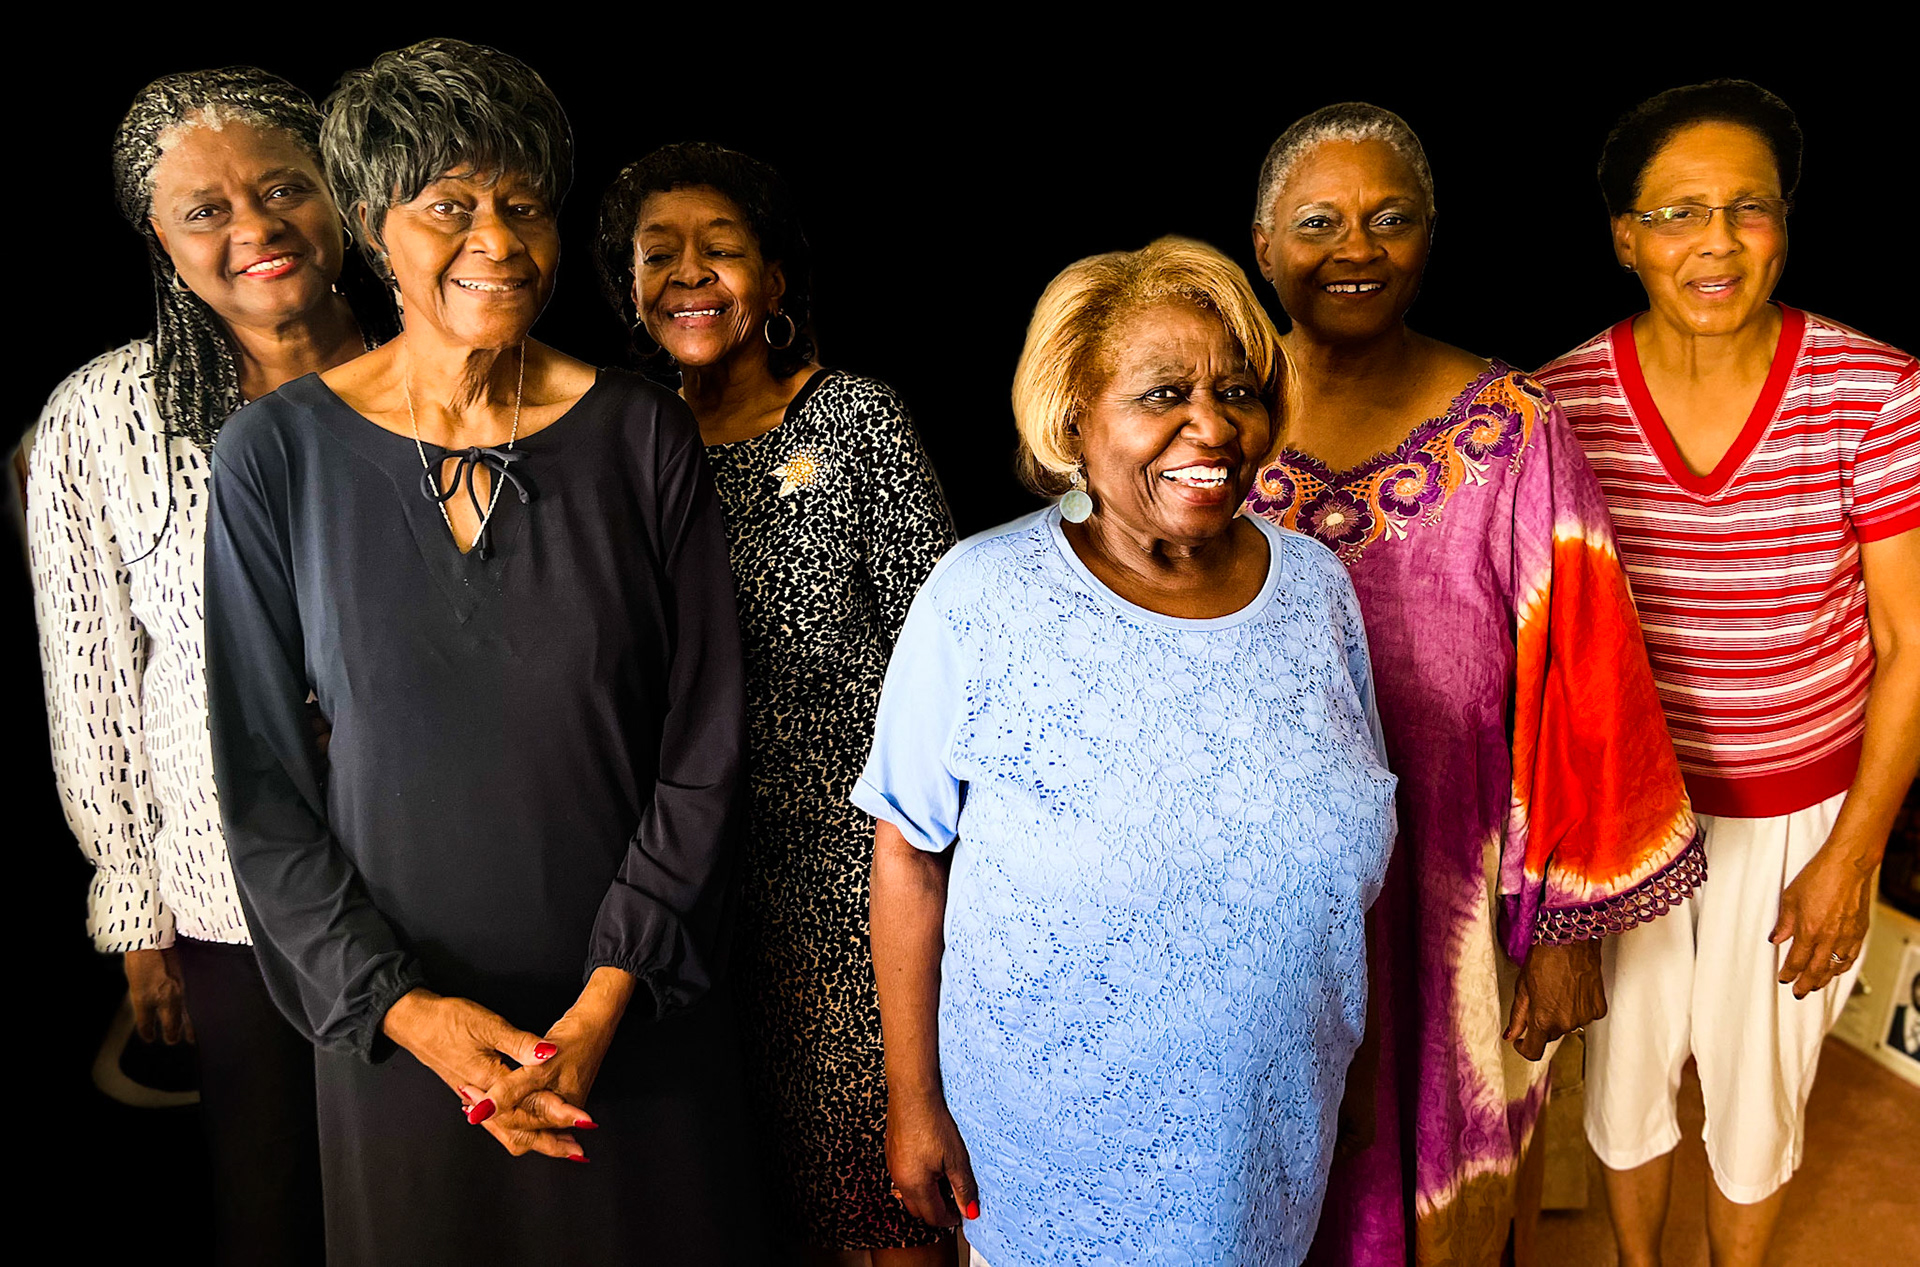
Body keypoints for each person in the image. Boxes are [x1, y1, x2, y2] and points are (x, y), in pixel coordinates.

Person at [202, 40, 761, 1265]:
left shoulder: (640, 435)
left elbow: (706, 741)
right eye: (450, 205)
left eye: (524, 205)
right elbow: (261, 791)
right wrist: (409, 1015)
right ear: (370, 224)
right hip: (407, 1046)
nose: (497, 241)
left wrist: (611, 992)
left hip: (632, 1023)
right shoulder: (274, 458)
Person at [860, 236, 1399, 1267]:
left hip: (1271, 1125)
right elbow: (908, 853)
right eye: (1163, 394)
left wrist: (1356, 1070)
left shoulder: (1317, 591)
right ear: (1074, 418)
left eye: (1236, 389)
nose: (1213, 425)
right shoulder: (982, 598)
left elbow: (1355, 849)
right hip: (1049, 1141)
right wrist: (913, 1100)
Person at [1241, 103, 1700, 1267]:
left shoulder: (1511, 430)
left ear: (1431, 237)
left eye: (1390, 218)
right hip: (1256, 899)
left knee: (1449, 1178)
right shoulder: (1208, 423)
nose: (1357, 246)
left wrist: (1567, 927)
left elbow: (1588, 676)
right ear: (1260, 243)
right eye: (1321, 221)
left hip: (1459, 887)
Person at [1536, 79, 1920, 1267]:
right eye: (1678, 212)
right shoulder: (1560, 403)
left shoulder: (1873, 389)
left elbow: (1912, 647)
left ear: (1785, 223)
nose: (1714, 240)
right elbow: (1542, 660)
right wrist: (1557, 888)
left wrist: (1849, 858)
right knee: (1625, 1094)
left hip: (1798, 817)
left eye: (1746, 208)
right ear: (1625, 238)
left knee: (1759, 1108)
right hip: (1628, 818)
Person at [26, 65, 396, 1267]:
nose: (256, 228)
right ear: (158, 236)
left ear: (340, 194)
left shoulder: (434, 370)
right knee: (278, 1204)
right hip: (229, 900)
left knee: (439, 1199)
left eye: (285, 187)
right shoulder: (98, 416)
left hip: (442, 869)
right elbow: (93, 685)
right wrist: (135, 908)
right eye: (206, 209)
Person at [596, 141, 957, 1262]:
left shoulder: (854, 423)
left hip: (856, 892)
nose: (691, 274)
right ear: (629, 289)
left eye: (723, 248)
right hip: (687, 895)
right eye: (663, 254)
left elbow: (951, 667)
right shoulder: (619, 445)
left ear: (777, 280)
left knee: (877, 1203)